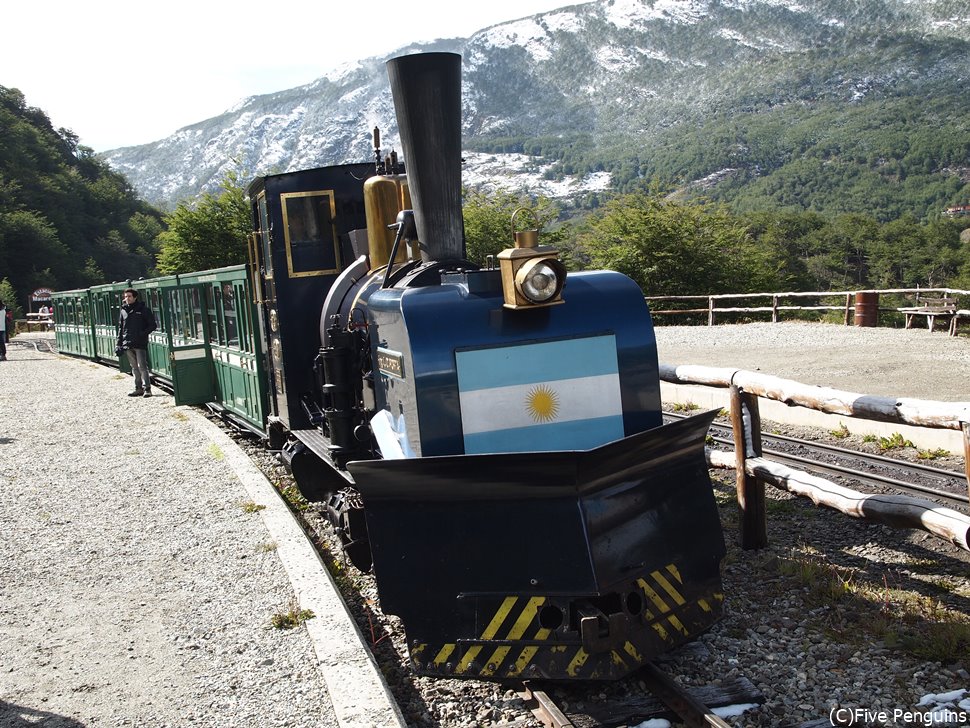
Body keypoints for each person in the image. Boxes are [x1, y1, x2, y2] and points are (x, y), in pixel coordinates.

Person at [116, 288, 156, 397]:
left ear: (135, 297)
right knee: (134, 367)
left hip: (140, 343)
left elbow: (153, 325)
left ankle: (147, 389)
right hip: (127, 343)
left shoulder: (143, 310)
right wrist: (118, 343)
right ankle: (138, 388)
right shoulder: (123, 311)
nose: (126, 298)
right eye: (125, 296)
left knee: (142, 366)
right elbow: (121, 328)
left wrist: (142, 334)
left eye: (129, 296)